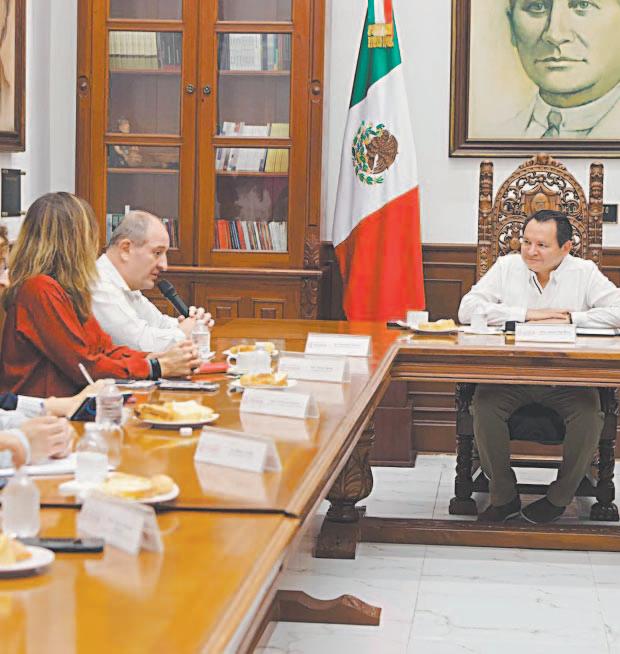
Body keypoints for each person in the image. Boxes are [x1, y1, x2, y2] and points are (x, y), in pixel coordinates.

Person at [458, 209, 620, 524]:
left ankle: (559, 497)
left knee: (589, 413)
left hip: (567, 381)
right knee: (484, 404)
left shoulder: (584, 272)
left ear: (566, 247)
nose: (531, 251)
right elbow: (468, 309)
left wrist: (572, 318)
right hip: (511, 377)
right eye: (526, 242)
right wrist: (526, 314)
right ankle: (504, 496)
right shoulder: (507, 267)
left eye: (542, 245)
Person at [0, 192, 200, 397]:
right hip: (47, 410)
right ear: (74, 242)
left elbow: (104, 348)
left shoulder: (66, 288)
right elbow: (85, 366)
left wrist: (154, 358)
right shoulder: (40, 289)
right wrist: (156, 366)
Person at [92, 210, 214, 352]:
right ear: (126, 249)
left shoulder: (125, 284)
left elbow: (159, 324)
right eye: (157, 253)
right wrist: (183, 331)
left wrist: (196, 323)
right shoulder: (98, 285)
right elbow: (139, 344)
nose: (164, 265)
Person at [505, 0, 620, 137]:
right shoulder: (497, 135)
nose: (554, 35)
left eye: (582, 5)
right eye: (537, 6)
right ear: (511, 26)